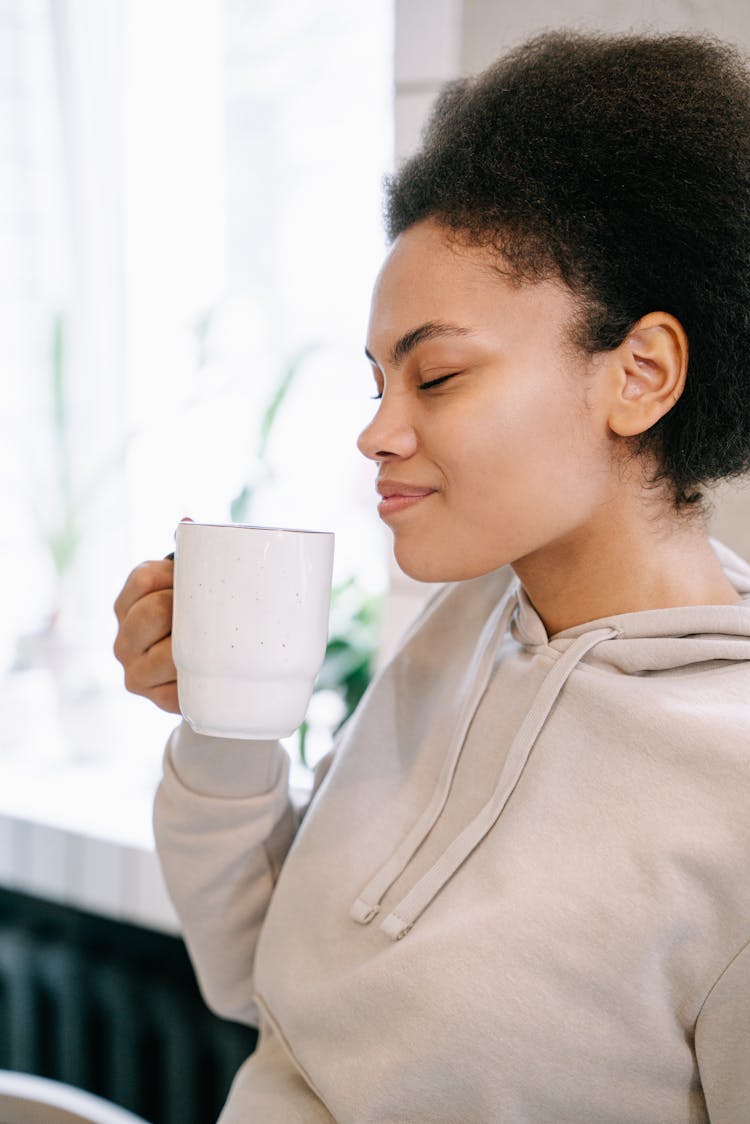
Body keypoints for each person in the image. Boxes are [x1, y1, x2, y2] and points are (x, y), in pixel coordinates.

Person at [113, 30, 750, 1123]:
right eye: (377, 381)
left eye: (437, 374)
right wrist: (222, 720)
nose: (376, 431)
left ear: (640, 373)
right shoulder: (466, 629)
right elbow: (260, 975)